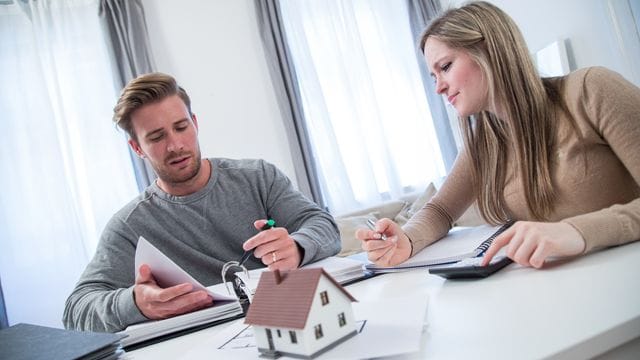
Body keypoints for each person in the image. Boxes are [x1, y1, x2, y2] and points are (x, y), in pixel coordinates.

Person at [357, 1, 640, 270]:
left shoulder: (591, 90)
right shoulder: (485, 141)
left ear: (489, 51)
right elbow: (441, 210)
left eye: (445, 67)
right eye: (433, 75)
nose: (439, 88)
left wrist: (576, 232)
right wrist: (404, 240)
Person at [63, 72, 341, 332]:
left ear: (195, 124)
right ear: (137, 148)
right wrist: (135, 303)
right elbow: (75, 312)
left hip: (287, 322)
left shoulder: (258, 177)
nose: (175, 145)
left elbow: (323, 226)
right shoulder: (129, 225)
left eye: (181, 127)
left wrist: (296, 246)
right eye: (157, 137)